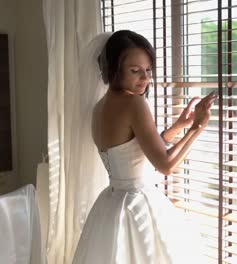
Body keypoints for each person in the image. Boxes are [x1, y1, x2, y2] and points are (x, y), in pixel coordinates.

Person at [72, 30, 216, 263]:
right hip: (137, 205)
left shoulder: (100, 107)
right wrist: (197, 127)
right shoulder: (134, 103)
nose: (145, 78)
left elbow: (132, 149)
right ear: (113, 70)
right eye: (135, 71)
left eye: (148, 70)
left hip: (111, 205)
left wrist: (179, 126)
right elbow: (166, 164)